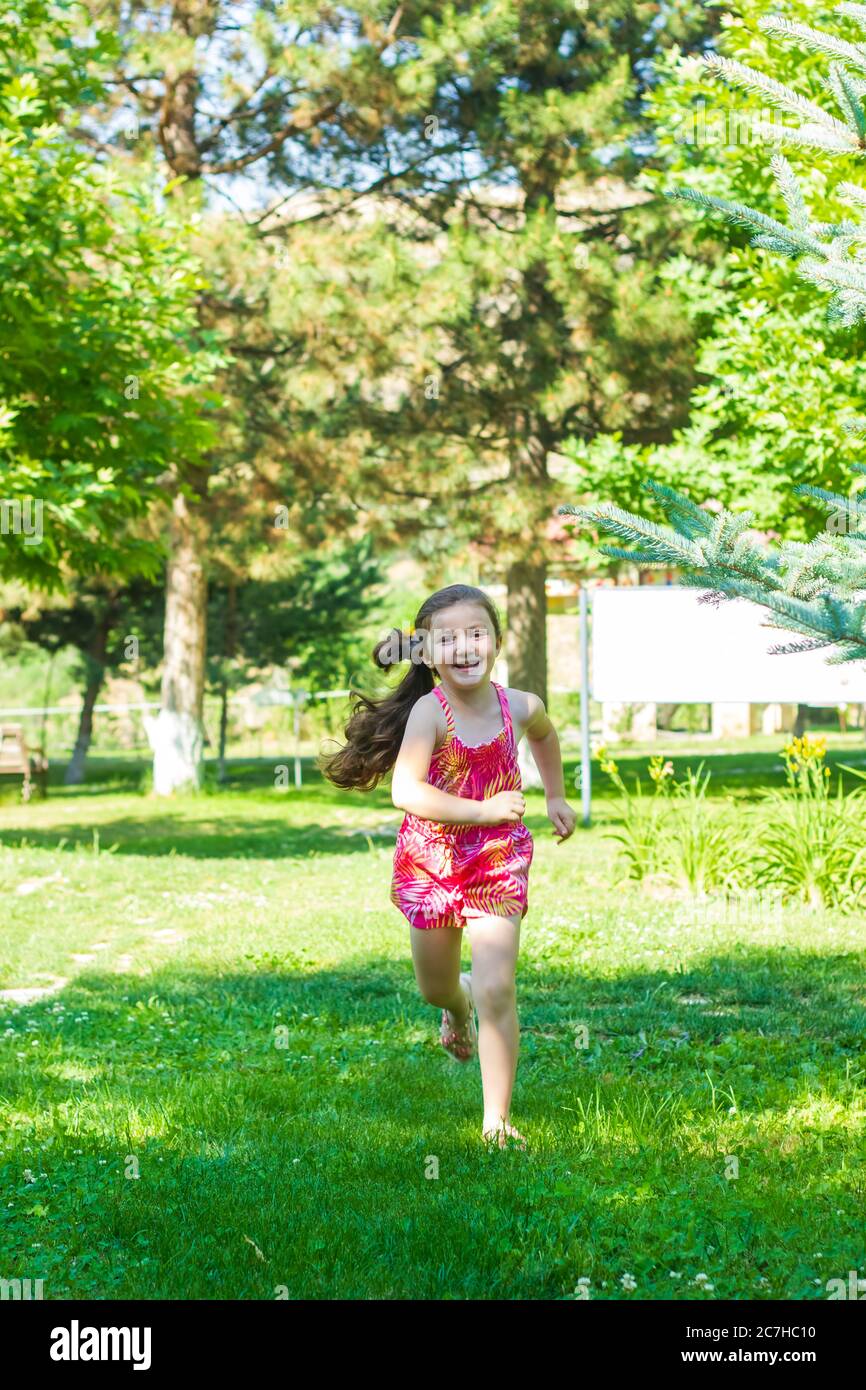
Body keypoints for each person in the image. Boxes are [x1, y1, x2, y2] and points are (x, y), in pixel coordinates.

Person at [319, 583, 576, 1149]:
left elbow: (545, 734)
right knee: (437, 987)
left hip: (495, 861)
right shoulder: (429, 714)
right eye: (448, 638)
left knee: (497, 987)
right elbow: (406, 791)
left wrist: (555, 795)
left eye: (476, 633)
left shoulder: (520, 705)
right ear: (428, 653)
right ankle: (454, 1008)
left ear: (498, 643)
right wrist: (483, 808)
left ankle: (497, 1121)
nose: (465, 647)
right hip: (431, 863)